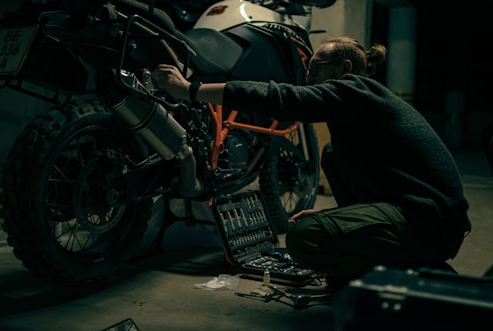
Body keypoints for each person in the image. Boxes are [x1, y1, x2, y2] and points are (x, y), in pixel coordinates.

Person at [153, 36, 472, 293]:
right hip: (422, 216)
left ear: (344, 68)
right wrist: (335, 216)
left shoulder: (357, 91)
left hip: (432, 223)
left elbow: (280, 98)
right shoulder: (357, 110)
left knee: (306, 237)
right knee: (332, 154)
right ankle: (381, 272)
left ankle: (420, 277)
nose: (309, 76)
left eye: (317, 68)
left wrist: (190, 90)